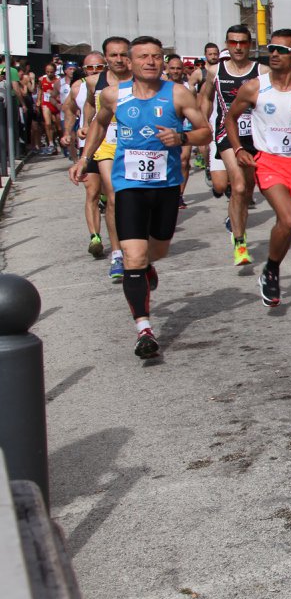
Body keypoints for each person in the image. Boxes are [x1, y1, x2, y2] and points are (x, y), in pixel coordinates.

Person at [68, 36, 211, 360]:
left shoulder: (177, 93)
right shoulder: (113, 94)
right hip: (129, 185)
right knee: (133, 257)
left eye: (156, 56)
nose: (150, 61)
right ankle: (144, 329)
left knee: (157, 250)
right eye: (143, 56)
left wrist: (182, 137)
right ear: (130, 63)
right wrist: (84, 159)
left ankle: (147, 266)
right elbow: (98, 125)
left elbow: (204, 131)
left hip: (166, 186)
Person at [222, 29, 291, 307]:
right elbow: (230, 118)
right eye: (271, 49)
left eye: (281, 50)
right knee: (287, 218)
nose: (274, 54)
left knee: (286, 226)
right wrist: (238, 149)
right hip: (268, 161)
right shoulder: (254, 87)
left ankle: (270, 269)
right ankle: (272, 272)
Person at [201, 24, 267, 265]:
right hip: (226, 133)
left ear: (250, 45)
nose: (238, 47)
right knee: (237, 186)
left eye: (243, 42)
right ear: (227, 45)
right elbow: (205, 98)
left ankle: (237, 221)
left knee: (247, 190)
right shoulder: (214, 71)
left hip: (254, 135)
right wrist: (203, 124)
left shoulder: (262, 71)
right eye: (233, 42)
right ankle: (240, 242)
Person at [80, 36, 133, 281]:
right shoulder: (94, 81)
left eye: (123, 54)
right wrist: (85, 126)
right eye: (113, 55)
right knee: (113, 195)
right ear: (105, 58)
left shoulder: (140, 79)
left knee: (137, 198)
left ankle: (136, 241)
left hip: (135, 145)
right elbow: (91, 107)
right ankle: (118, 254)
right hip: (107, 145)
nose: (119, 59)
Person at [65, 52, 108, 258]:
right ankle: (95, 238)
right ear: (83, 69)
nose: (94, 71)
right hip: (89, 146)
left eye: (99, 67)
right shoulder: (78, 87)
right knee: (91, 191)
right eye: (90, 68)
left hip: (113, 145)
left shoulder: (115, 84)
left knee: (113, 195)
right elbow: (69, 109)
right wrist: (71, 131)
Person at [163, 54, 196, 208]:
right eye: (172, 68)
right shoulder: (161, 86)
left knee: (184, 161)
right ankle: (166, 191)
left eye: (178, 68)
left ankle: (179, 195)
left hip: (185, 126)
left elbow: (195, 108)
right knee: (166, 161)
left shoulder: (189, 88)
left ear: (183, 70)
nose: (175, 71)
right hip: (167, 126)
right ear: (167, 69)